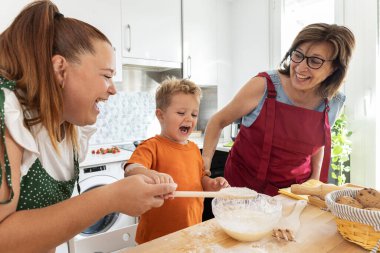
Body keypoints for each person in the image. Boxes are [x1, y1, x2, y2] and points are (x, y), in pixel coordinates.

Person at [0, 1, 177, 252]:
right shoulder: (7, 113)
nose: (113, 89)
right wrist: (111, 197)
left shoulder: (69, 128)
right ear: (60, 69)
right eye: (106, 76)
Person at [202, 23, 355, 196]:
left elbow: (316, 144)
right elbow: (218, 121)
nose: (300, 67)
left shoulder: (334, 102)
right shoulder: (263, 86)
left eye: (314, 61)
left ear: (334, 68)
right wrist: (204, 165)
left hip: (293, 194)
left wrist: (314, 180)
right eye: (298, 55)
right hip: (242, 188)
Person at [124, 77, 229, 244]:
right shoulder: (152, 146)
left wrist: (212, 184)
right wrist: (151, 174)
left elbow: (200, 180)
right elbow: (130, 170)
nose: (189, 119)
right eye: (181, 113)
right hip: (155, 240)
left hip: (191, 233)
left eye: (194, 114)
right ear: (161, 115)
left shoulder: (194, 149)